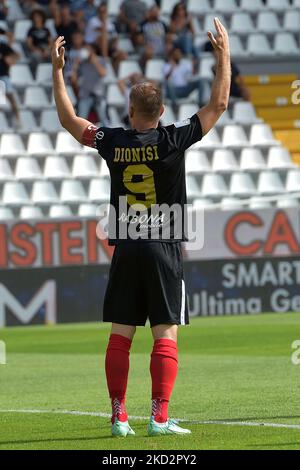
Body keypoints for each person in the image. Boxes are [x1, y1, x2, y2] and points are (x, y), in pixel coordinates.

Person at [51, 17, 231, 437]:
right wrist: (223, 56)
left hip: (127, 244)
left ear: (131, 112)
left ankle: (118, 417)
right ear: (162, 112)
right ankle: (160, 418)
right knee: (165, 332)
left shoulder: (112, 141)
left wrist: (58, 72)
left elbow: (69, 120)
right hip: (164, 245)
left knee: (121, 334)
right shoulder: (173, 139)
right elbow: (219, 105)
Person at [71, 43, 108, 125]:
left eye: (87, 49)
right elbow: (73, 79)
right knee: (81, 121)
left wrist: (94, 61)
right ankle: (80, 137)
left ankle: (107, 137)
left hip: (99, 96)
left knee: (104, 121)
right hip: (85, 95)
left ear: (93, 50)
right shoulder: (82, 63)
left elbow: (103, 73)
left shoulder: (101, 60)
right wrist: (76, 64)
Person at [0, 42, 20, 127]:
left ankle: (18, 119)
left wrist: (11, 59)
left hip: (4, 75)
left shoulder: (2, 45)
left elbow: (17, 55)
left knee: (11, 98)